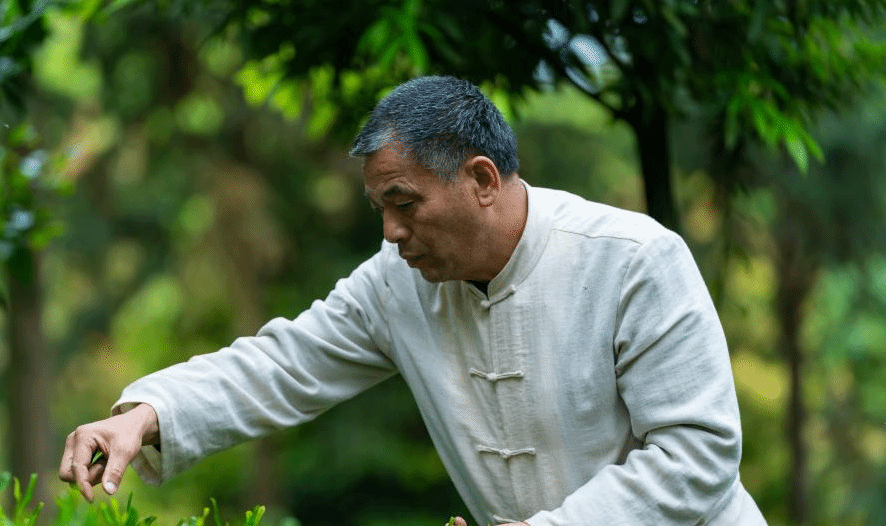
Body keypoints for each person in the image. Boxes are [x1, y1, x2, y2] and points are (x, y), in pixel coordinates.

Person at [60, 75, 768, 525]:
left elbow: (697, 456)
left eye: (404, 204)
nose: (391, 232)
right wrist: (146, 415)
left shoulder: (634, 261)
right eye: (379, 208)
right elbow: (280, 364)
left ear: (482, 178)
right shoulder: (396, 282)